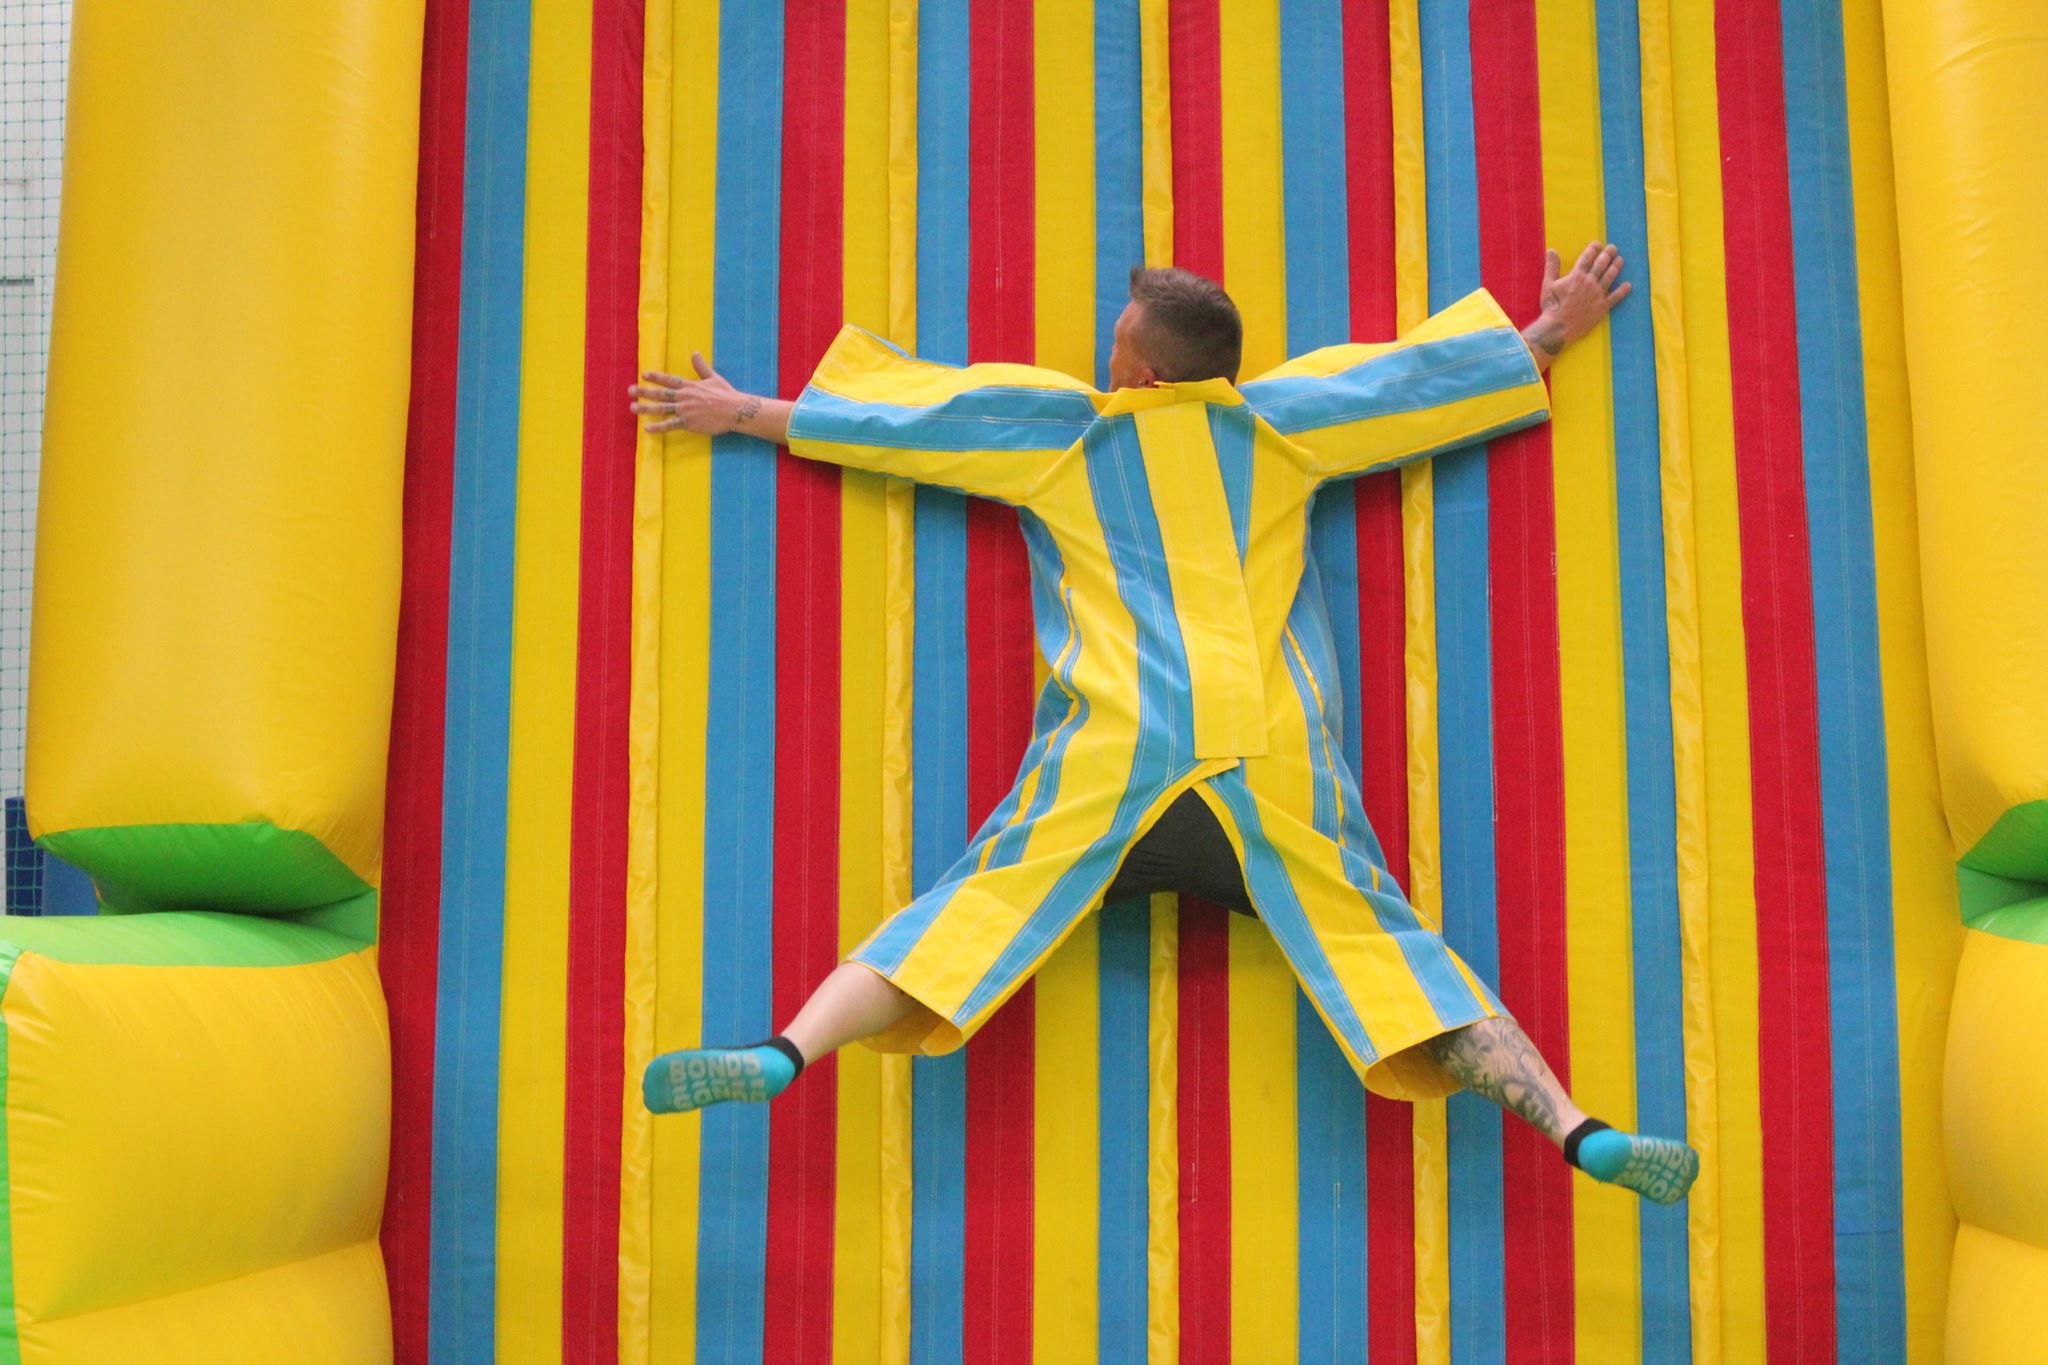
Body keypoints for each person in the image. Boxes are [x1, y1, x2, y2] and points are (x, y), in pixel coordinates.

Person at [628, 243, 1696, 1205]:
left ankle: (783, 1054)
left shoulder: (1065, 433)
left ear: (1139, 370)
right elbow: (1417, 384)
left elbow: (902, 426)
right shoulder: (1282, 419)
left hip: (1119, 745)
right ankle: (1574, 1126)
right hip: (1265, 749)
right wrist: (1552, 327)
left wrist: (743, 412)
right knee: (1389, 949)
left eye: (1116, 341)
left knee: (964, 914)